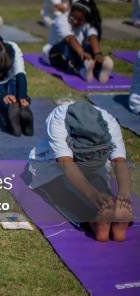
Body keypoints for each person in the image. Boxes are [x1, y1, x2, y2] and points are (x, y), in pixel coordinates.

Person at [27, 100, 132, 241]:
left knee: (92, 193)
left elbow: (118, 160)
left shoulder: (108, 121)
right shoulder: (60, 119)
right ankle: (104, 218)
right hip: (57, 166)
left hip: (90, 165)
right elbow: (65, 162)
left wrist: (123, 194)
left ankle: (98, 220)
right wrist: (94, 194)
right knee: (67, 186)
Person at [42, 0, 113, 83]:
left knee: (89, 47)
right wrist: (82, 53)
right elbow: (70, 38)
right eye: (72, 18)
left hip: (76, 52)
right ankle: (82, 69)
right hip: (53, 55)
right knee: (67, 46)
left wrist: (98, 53)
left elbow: (92, 36)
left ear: (86, 20)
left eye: (80, 20)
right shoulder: (62, 20)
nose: (75, 21)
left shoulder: (88, 23)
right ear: (70, 12)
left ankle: (99, 71)